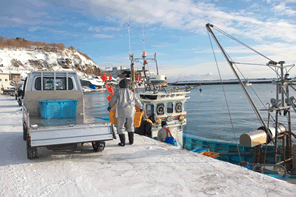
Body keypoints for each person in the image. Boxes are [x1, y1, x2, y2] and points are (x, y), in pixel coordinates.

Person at [108, 78, 143, 146]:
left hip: (121, 112)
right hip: (131, 112)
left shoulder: (118, 92)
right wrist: (141, 108)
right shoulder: (131, 93)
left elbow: (113, 100)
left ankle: (122, 142)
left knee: (120, 127)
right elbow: (137, 101)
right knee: (130, 126)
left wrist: (110, 106)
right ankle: (131, 141)